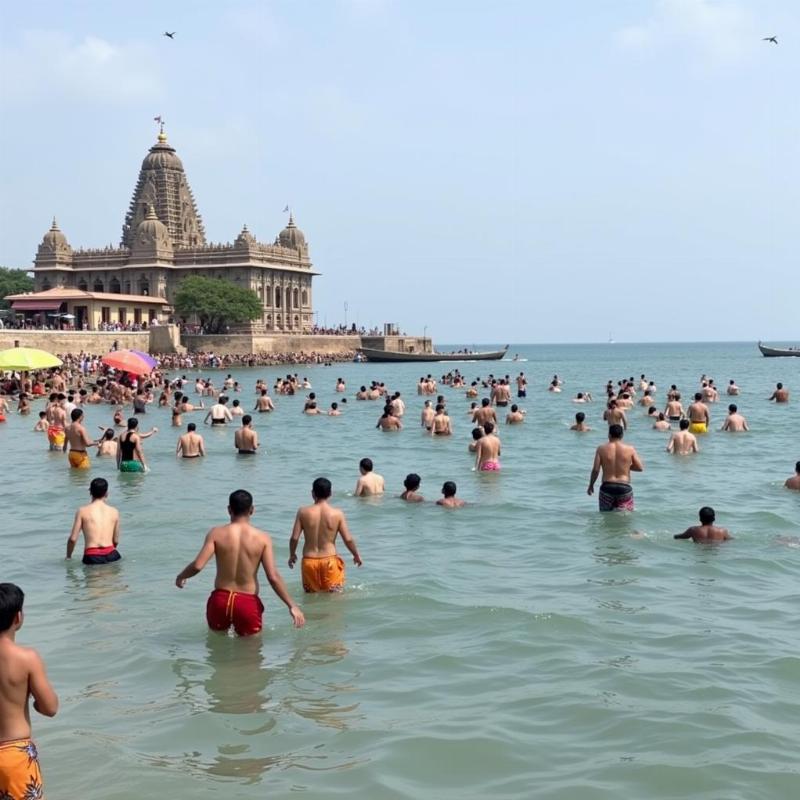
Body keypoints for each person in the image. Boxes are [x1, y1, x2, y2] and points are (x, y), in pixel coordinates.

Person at [175, 489, 305, 635]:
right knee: (251, 654)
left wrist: (181, 576)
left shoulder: (216, 533)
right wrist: (291, 605)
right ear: (252, 510)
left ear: (229, 509)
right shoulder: (262, 538)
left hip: (220, 601)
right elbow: (273, 576)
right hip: (247, 603)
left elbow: (198, 565)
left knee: (217, 652)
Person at [0, 583, 59, 798]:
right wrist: (34, 702)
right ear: (18, 618)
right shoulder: (27, 659)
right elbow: (50, 708)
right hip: (14, 756)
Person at [289, 477, 363, 592]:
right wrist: (356, 555)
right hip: (330, 562)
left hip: (309, 561)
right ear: (330, 493)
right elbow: (348, 539)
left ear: (312, 493)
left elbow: (294, 538)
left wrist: (292, 554)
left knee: (311, 598)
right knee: (334, 599)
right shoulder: (337, 514)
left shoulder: (303, 512)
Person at [587, 424, 643, 511]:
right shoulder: (630, 449)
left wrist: (591, 485)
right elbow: (640, 467)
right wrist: (625, 466)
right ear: (622, 435)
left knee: (606, 517)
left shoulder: (601, 449)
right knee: (625, 519)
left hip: (607, 487)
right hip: (624, 487)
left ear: (609, 434)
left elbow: (595, 470)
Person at [66, 477, 121, 564]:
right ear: (106, 493)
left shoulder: (82, 511)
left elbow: (73, 539)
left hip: (92, 557)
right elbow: (115, 541)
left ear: (90, 492)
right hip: (112, 555)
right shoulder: (114, 512)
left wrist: (68, 557)